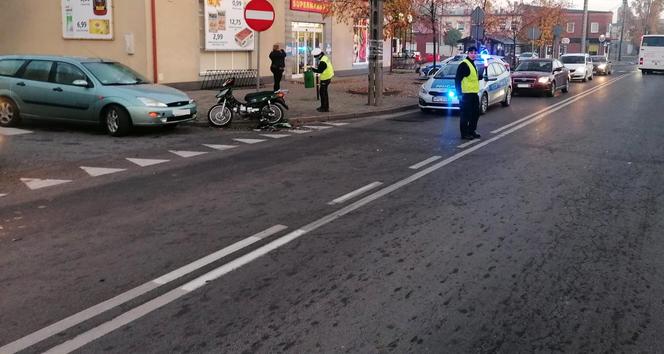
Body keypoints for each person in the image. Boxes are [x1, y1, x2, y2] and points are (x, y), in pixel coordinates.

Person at [454, 46, 481, 140]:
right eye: (471, 53)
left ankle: (472, 130)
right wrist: (459, 94)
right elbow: (457, 80)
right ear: (468, 53)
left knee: (475, 113)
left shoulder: (473, 64)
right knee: (465, 115)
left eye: (475, 53)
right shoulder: (464, 64)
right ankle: (464, 133)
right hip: (465, 94)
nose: (473, 54)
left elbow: (473, 78)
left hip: (474, 93)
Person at [310, 48, 334, 112]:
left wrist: (312, 69)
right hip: (328, 76)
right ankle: (323, 106)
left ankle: (325, 108)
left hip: (325, 78)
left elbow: (319, 70)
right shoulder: (325, 57)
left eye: (315, 56)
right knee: (323, 93)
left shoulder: (323, 61)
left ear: (318, 55)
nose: (315, 58)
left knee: (323, 93)